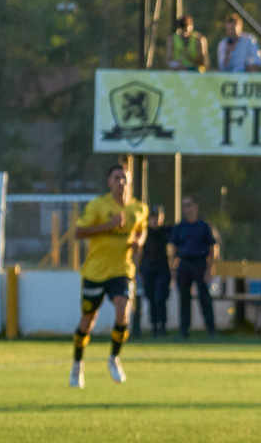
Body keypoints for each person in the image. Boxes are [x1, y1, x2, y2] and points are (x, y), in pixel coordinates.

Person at [70, 164, 148, 388]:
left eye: (124, 178)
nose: (121, 181)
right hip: (95, 272)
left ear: (130, 181)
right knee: (87, 322)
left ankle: (114, 358)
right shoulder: (98, 205)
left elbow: (141, 229)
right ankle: (77, 365)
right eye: (116, 177)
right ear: (109, 182)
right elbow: (78, 232)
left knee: (123, 312)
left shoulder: (138, 208)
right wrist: (108, 225)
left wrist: (138, 242)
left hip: (121, 271)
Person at [170, 196, 220, 338]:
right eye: (185, 206)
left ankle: (211, 329)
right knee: (184, 298)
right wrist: (173, 269)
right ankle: (184, 330)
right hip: (184, 263)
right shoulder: (180, 227)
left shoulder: (204, 226)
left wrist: (210, 269)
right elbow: (173, 249)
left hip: (200, 264)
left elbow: (213, 248)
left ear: (196, 206)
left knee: (204, 297)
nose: (188, 208)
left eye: (190, 205)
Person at [139, 206, 174, 337]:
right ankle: (154, 326)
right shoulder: (144, 232)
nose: (155, 219)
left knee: (160, 297)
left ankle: (162, 326)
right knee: (151, 297)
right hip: (147, 270)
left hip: (163, 269)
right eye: (153, 217)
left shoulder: (166, 231)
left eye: (158, 216)